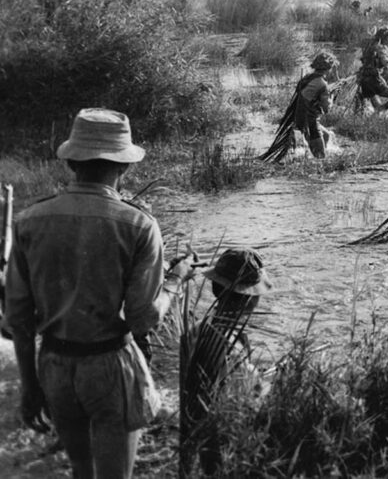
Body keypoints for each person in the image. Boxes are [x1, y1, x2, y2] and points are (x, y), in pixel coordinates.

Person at [5, 108, 191, 479]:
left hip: (54, 364)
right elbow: (143, 319)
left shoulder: (28, 220)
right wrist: (175, 280)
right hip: (109, 366)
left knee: (81, 470)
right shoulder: (139, 224)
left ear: (73, 162)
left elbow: (19, 321)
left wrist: (29, 386)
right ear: (123, 166)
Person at [181, 247, 271, 476]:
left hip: (197, 433)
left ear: (215, 288)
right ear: (250, 299)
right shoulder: (232, 345)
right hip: (225, 442)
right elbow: (251, 401)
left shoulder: (196, 330)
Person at [295, 51, 337, 158]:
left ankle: (311, 153)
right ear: (329, 68)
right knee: (321, 157)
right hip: (310, 121)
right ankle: (317, 157)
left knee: (326, 136)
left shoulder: (308, 78)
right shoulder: (323, 84)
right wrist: (332, 96)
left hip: (300, 117)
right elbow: (326, 109)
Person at [358, 27, 388, 113]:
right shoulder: (382, 49)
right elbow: (386, 65)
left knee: (377, 106)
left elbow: (373, 61)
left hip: (364, 80)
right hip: (374, 81)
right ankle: (381, 110)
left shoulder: (371, 47)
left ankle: (375, 116)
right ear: (384, 38)